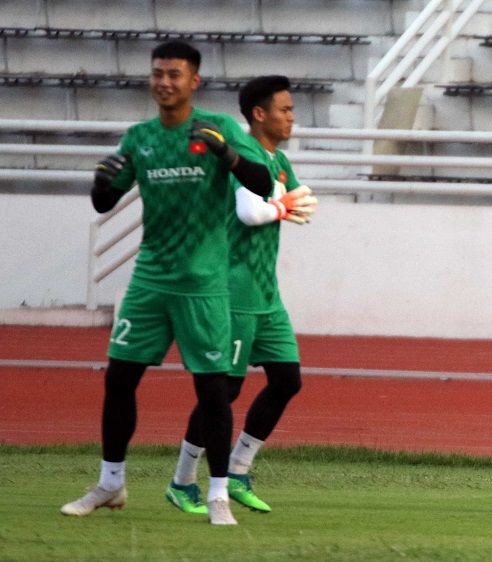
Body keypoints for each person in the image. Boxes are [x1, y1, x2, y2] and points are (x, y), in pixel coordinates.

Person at [60, 41, 274, 526]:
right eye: (158, 73)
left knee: (213, 391)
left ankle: (217, 495)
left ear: (194, 81)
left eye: (174, 74)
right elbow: (103, 202)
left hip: (203, 284)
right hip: (151, 279)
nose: (164, 82)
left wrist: (227, 156)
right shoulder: (139, 137)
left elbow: (263, 184)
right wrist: (100, 182)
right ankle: (110, 484)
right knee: (119, 379)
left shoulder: (219, 128)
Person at [166, 75, 317, 516]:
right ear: (259, 113)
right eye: (284, 110)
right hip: (233, 292)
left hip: (266, 294)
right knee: (224, 392)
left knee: (287, 380)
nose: (291, 118)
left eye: (292, 110)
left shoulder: (278, 159)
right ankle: (182, 481)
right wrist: (282, 207)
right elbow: (250, 212)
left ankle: (238, 470)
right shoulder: (244, 154)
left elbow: (296, 200)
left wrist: (284, 205)